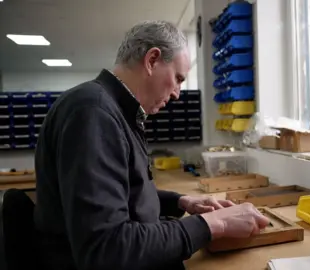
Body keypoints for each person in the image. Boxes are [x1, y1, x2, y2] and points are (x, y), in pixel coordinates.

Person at [33, 20, 270, 270]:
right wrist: (214, 224)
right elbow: (107, 249)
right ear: (152, 60)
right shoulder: (94, 113)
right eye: (178, 78)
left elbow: (117, 194)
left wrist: (181, 202)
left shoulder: (113, 110)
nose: (178, 92)